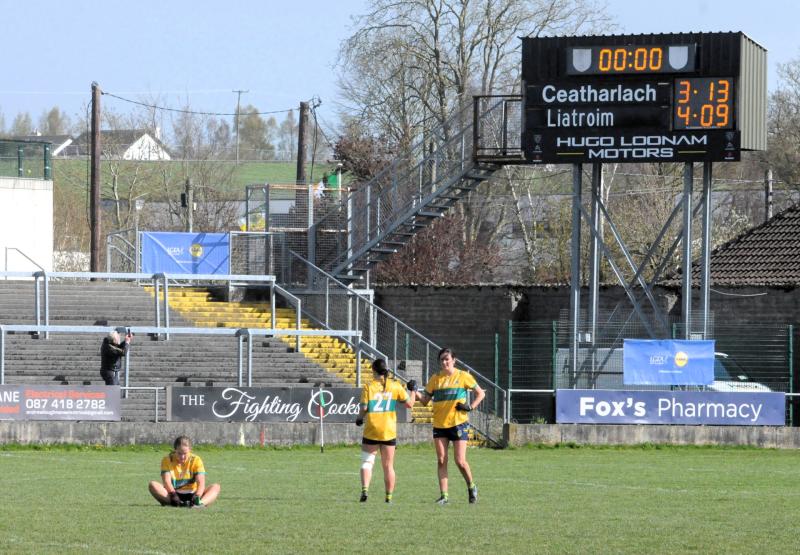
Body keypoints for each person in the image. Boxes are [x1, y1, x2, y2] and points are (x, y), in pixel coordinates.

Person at [413, 347, 485, 505]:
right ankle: (444, 496)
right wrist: (414, 390)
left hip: (458, 424)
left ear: (454, 360)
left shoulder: (463, 376)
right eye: (441, 360)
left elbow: (481, 393)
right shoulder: (435, 379)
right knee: (441, 460)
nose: (444, 362)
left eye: (447, 359)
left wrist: (470, 407)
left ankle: (471, 486)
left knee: (460, 461)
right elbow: (424, 401)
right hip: (439, 425)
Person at [355, 359, 416, 503]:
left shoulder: (368, 387)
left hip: (372, 429)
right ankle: (388, 497)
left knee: (367, 462)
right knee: (388, 466)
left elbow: (364, 409)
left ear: (373, 370)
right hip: (388, 430)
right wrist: (414, 390)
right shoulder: (395, 386)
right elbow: (410, 404)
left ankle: (365, 490)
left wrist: (359, 418)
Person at [148, 436, 220, 509]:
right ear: (175, 450)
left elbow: (201, 482)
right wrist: (173, 495)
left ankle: (198, 504)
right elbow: (167, 481)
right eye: (179, 453)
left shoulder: (196, 460)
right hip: (174, 493)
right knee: (152, 485)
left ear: (190, 450)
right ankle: (176, 503)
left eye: (185, 453)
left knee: (216, 487)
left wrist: (197, 495)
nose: (182, 457)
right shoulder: (167, 460)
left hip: (193, 493)